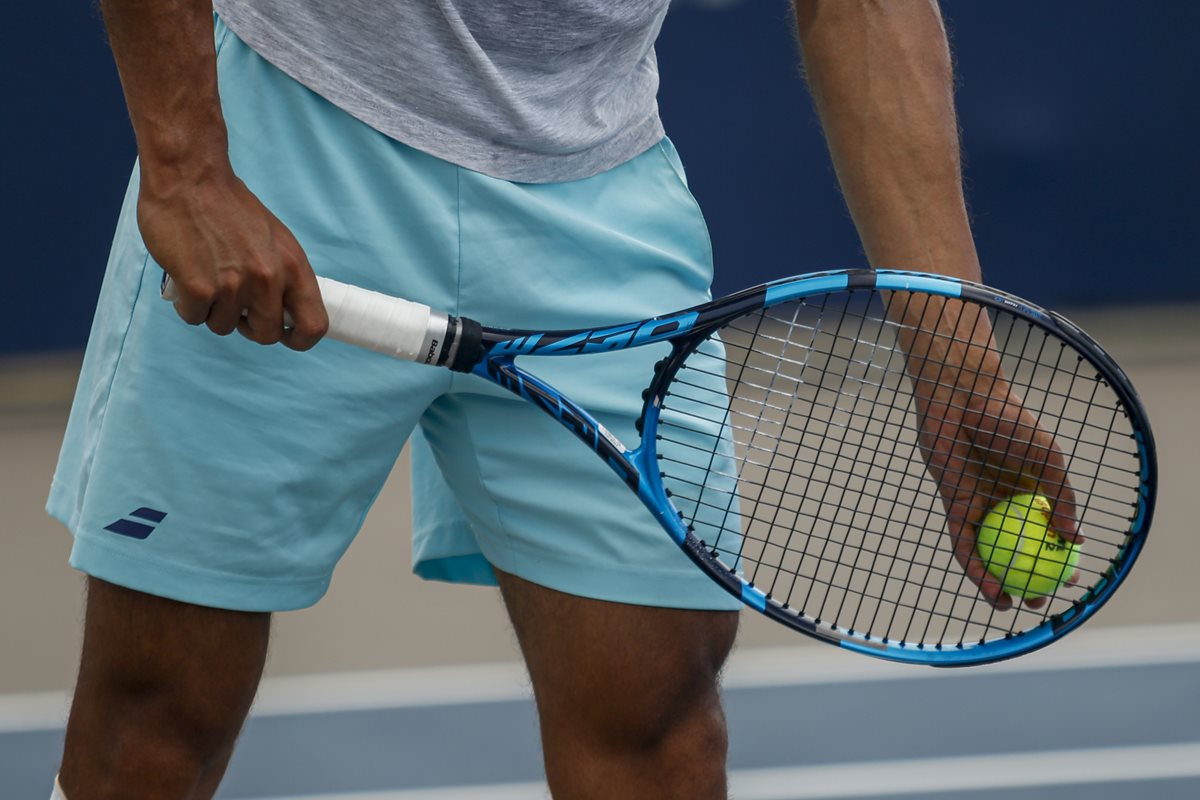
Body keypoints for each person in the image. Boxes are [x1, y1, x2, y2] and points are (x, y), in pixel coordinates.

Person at [48, 1, 1072, 798]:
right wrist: (187, 170)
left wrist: (961, 371)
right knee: (153, 731)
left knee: (660, 726)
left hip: (597, 181)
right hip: (290, 134)